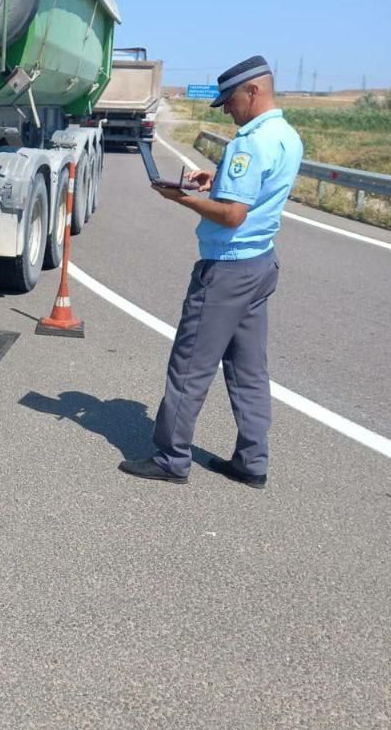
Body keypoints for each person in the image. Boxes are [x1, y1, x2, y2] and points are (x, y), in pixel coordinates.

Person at [119, 55, 303, 488]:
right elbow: (253, 192)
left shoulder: (249, 142)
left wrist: (179, 198)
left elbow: (233, 214)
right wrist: (214, 180)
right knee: (248, 370)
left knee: (190, 367)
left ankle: (171, 458)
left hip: (228, 268)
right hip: (260, 264)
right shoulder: (287, 136)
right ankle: (252, 462)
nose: (229, 110)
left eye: (232, 101)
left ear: (253, 91)